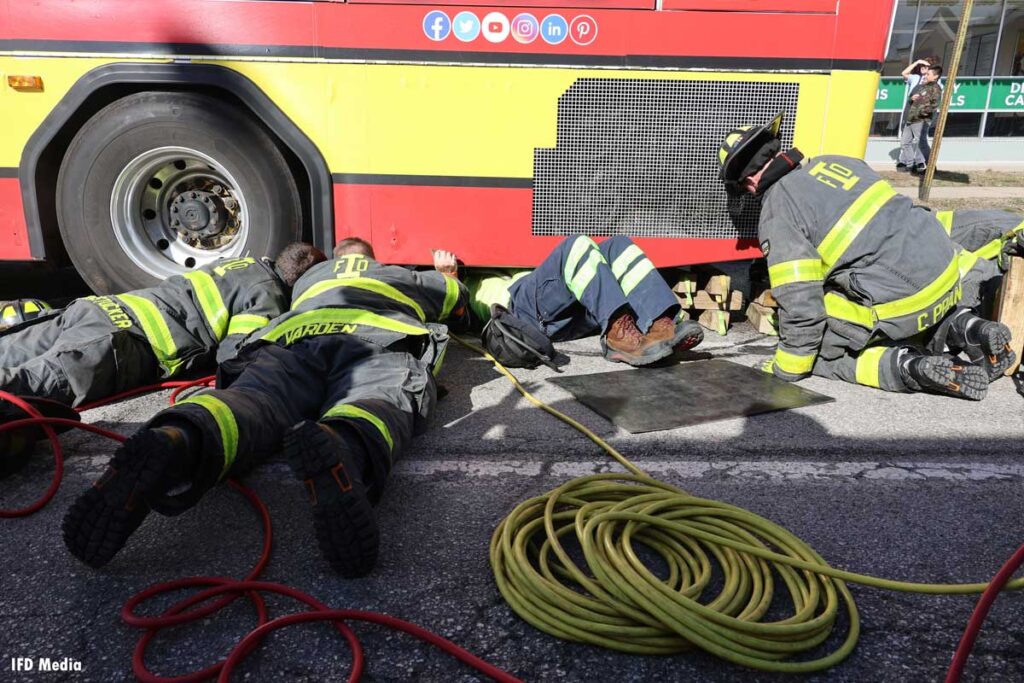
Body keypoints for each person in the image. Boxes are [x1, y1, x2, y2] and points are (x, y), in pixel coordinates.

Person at [62, 238, 470, 578]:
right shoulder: (400, 275)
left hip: (292, 341)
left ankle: (180, 436)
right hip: (377, 337)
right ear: (371, 257)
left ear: (335, 256)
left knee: (252, 402)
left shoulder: (311, 277)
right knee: (375, 402)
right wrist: (446, 273)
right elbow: (455, 299)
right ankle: (340, 443)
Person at [717, 112, 1019, 401]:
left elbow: (802, 306)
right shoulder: (835, 163)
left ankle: (907, 367)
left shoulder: (779, 212)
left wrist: (786, 367)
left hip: (908, 301)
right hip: (949, 275)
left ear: (749, 183)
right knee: (891, 290)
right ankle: (971, 328)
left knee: (817, 349)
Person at [0, 243, 325, 411]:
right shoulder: (267, 294)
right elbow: (238, 354)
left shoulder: (240, 263)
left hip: (95, 310)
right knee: (26, 389)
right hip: (121, 340)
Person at [464, 235, 704, 368]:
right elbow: (450, 305)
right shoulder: (459, 283)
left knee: (618, 246)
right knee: (576, 246)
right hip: (520, 312)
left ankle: (661, 325)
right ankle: (617, 335)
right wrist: (450, 276)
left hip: (566, 314)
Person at [899, 64, 943, 174]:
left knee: (922, 143)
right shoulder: (923, 86)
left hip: (920, 120)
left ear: (935, 76)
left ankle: (931, 166)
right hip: (911, 118)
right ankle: (910, 165)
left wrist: (921, 113)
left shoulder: (935, 89)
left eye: (928, 74)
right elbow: (913, 99)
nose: (926, 76)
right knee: (905, 142)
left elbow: (934, 105)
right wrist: (912, 98)